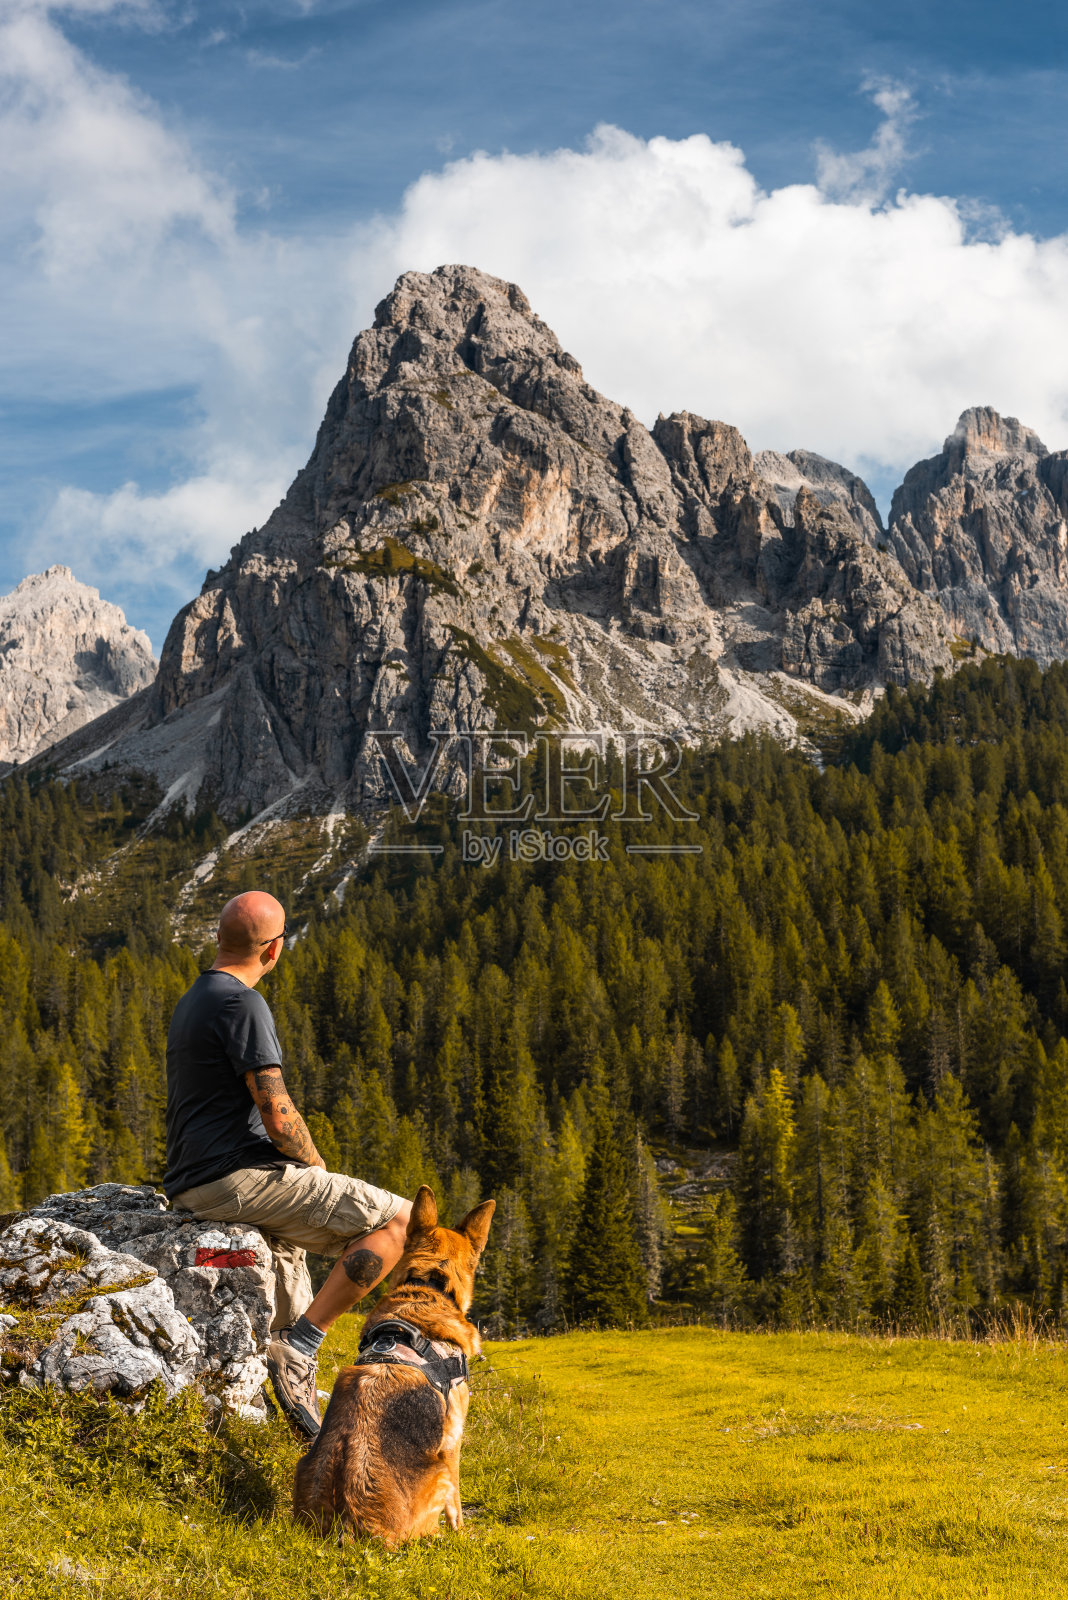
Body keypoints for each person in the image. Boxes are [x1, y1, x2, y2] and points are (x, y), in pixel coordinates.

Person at [163, 889, 411, 1438]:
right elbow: (276, 1112)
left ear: (219, 940)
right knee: (401, 1221)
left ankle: (285, 1365)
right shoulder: (242, 1003)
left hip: (192, 1180)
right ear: (273, 951)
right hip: (232, 1177)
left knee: (293, 1257)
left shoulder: (195, 998)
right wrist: (316, 1167)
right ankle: (301, 1349)